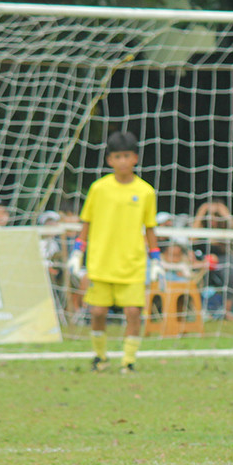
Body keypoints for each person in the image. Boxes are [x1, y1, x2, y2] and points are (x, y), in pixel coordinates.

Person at [67, 130, 162, 373]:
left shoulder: (145, 191)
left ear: (135, 158)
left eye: (127, 156)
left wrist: (156, 258)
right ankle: (100, 357)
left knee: (133, 312)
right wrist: (78, 252)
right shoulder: (99, 189)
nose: (122, 161)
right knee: (98, 312)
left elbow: (149, 228)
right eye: (117, 156)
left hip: (132, 263)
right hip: (101, 262)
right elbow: (86, 223)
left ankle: (128, 361)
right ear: (110, 160)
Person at [191, 200, 233, 321]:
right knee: (229, 263)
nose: (212, 218)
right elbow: (191, 238)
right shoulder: (200, 229)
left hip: (224, 265)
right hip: (203, 263)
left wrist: (226, 214)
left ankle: (228, 310)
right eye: (209, 214)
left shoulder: (224, 230)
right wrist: (201, 212)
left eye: (216, 215)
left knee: (229, 266)